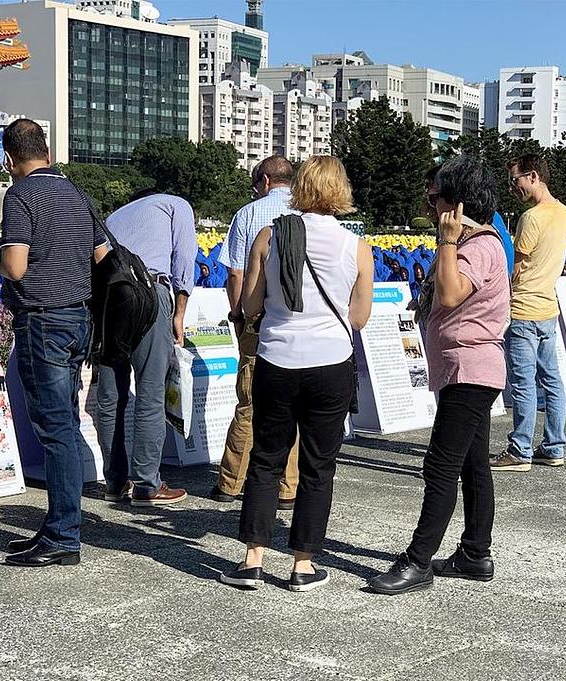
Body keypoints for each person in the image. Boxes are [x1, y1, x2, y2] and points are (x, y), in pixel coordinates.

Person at [218, 156, 373, 592]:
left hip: (277, 359)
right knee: (318, 465)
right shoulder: (356, 247)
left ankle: (252, 559)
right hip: (330, 363)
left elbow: (251, 305)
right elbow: (359, 318)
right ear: (340, 190)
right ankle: (303, 564)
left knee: (266, 459)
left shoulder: (269, 236)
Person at [368, 156, 509, 595]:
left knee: (440, 466)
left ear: (457, 204)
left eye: (435, 200)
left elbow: (450, 293)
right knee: (472, 464)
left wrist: (447, 242)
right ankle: (475, 553)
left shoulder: (477, 246)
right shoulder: (476, 244)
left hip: (469, 369)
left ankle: (417, 561)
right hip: (466, 369)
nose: (430, 208)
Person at [0, 119, 108, 568]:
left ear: (9, 159)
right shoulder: (76, 192)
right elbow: (101, 255)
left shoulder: (21, 195)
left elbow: (15, 268)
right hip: (78, 319)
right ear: (47, 152)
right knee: (66, 425)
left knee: (56, 431)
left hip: (41, 322)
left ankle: (62, 536)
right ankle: (59, 525)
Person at [94, 187, 196, 507]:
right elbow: (184, 258)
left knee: (110, 396)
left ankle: (114, 482)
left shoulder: (114, 216)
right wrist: (179, 313)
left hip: (110, 299)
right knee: (150, 391)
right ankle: (147, 484)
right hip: (149, 291)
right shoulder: (175, 204)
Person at [212, 156, 301, 509]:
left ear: (264, 181)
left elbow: (235, 273)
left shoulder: (249, 215)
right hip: (298, 321)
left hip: (259, 317)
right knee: (291, 405)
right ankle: (287, 486)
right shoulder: (308, 212)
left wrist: (238, 315)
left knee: (249, 400)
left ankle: (230, 482)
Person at [490, 154, 566, 472]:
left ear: (533, 176)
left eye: (516, 180)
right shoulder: (564, 213)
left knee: (523, 383)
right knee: (552, 380)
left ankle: (520, 449)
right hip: (548, 307)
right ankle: (554, 446)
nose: (513, 187)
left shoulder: (531, 218)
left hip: (523, 309)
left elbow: (517, 267)